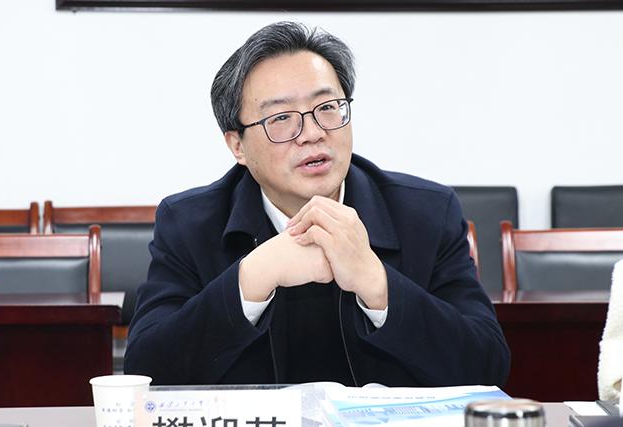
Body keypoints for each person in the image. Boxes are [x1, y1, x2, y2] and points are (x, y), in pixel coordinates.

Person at [124, 22, 510, 387]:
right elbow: (146, 373)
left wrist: (378, 284)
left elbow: (488, 366)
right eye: (281, 117)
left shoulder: (427, 213)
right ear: (237, 146)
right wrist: (251, 278)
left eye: (327, 108)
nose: (312, 133)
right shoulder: (188, 224)